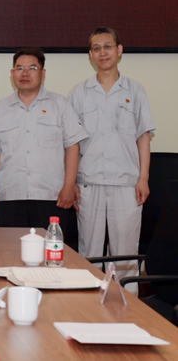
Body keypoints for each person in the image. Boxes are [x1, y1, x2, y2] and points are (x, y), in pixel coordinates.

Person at [68, 27, 155, 288]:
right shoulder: (79, 93)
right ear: (90, 55)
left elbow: (143, 137)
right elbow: (71, 143)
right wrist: (70, 182)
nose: (102, 52)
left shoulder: (135, 91)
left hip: (127, 184)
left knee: (125, 254)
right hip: (88, 184)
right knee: (89, 253)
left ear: (119, 50)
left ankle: (128, 306)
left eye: (108, 46)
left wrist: (143, 178)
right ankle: (88, 306)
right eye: (96, 48)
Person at [0, 47, 88, 231]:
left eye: (32, 68)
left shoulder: (60, 104)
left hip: (51, 196)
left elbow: (72, 147)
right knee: (12, 248)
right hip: (10, 196)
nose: (25, 73)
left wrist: (69, 186)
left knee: (50, 248)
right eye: (20, 68)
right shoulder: (0, 109)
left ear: (43, 74)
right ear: (12, 73)